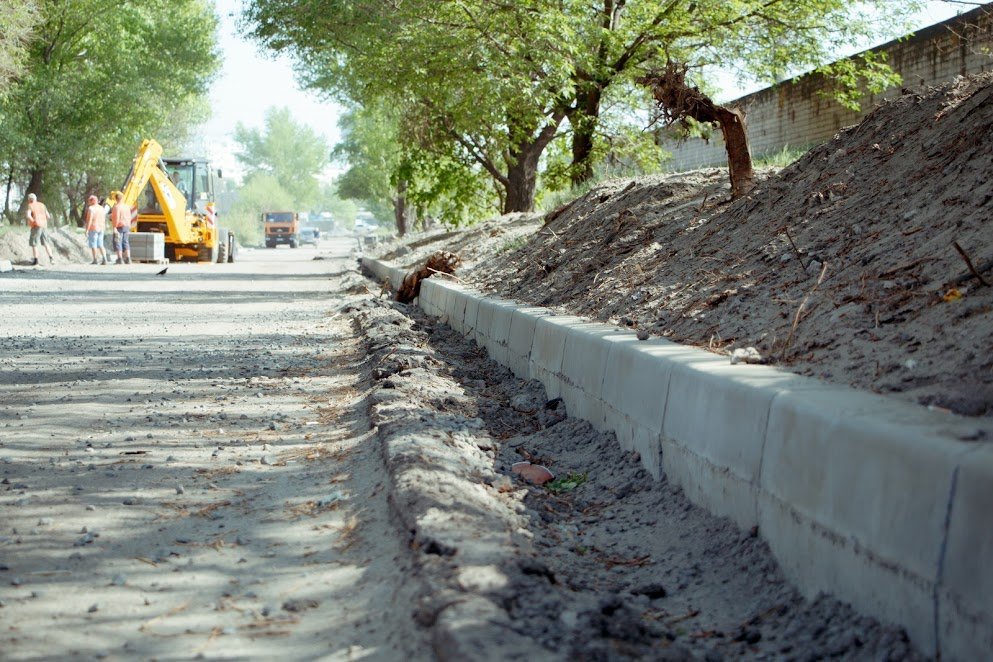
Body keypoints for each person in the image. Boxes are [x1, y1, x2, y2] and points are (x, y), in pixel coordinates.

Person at [25, 193, 55, 266]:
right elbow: (48, 216)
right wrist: (43, 220)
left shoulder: (30, 205)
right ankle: (51, 259)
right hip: (44, 225)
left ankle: (36, 261)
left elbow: (28, 216)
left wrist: (33, 221)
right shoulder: (42, 205)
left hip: (36, 226)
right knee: (45, 243)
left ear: (29, 200)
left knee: (34, 243)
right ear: (36, 199)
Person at [83, 195, 108, 265]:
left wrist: (87, 230)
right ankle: (104, 259)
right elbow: (103, 219)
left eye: (89, 201)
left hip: (93, 228)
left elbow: (89, 220)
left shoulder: (91, 209)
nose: (88, 202)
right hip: (101, 228)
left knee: (93, 244)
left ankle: (95, 259)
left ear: (92, 201)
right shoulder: (102, 208)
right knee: (100, 244)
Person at [111, 191, 131, 265]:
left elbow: (117, 218)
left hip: (119, 226)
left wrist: (114, 227)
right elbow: (129, 217)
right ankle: (128, 259)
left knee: (117, 242)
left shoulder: (116, 207)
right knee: (125, 242)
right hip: (126, 226)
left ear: (116, 198)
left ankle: (120, 259)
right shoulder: (126, 207)